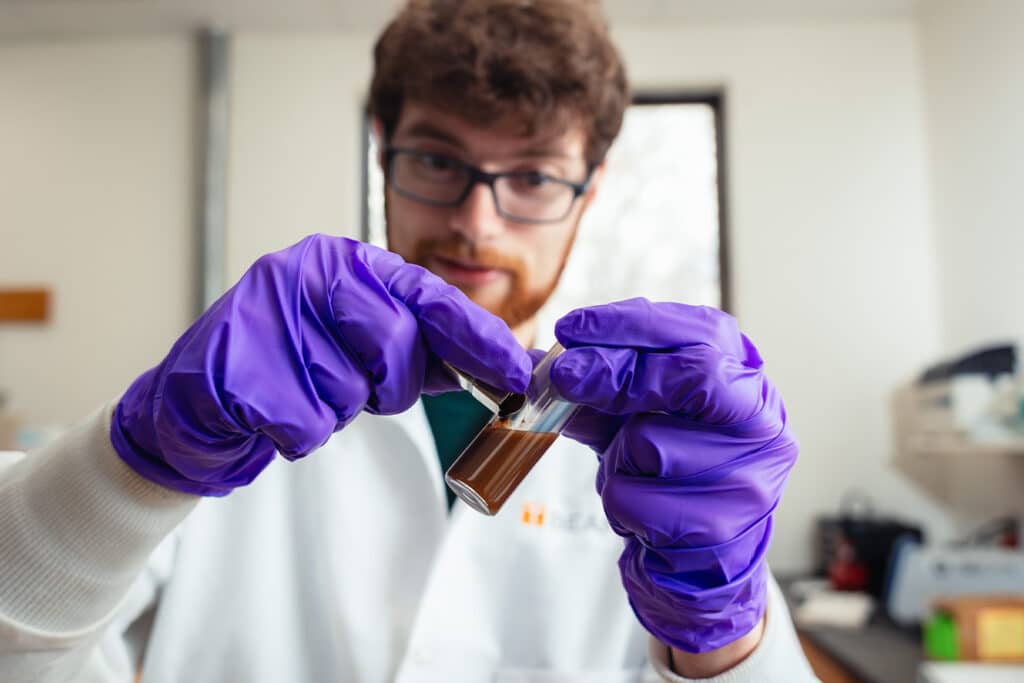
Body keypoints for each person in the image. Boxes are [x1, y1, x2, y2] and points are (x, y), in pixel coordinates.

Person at [0, 1, 819, 681]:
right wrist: (131, 468)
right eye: (436, 158)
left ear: (589, 190)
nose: (475, 219)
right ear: (383, 152)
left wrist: (722, 638)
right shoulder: (235, 398)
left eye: (532, 175)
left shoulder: (668, 469)